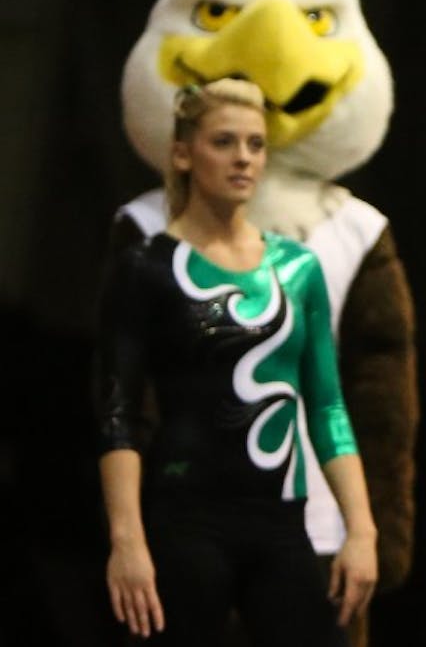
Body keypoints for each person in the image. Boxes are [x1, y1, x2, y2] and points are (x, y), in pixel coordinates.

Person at [94, 79, 378, 645]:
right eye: (224, 142)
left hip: (280, 524)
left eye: (255, 144)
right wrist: (126, 541)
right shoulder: (146, 268)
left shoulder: (297, 269)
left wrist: (362, 530)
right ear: (183, 152)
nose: (244, 158)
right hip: (185, 522)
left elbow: (326, 404)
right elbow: (117, 413)